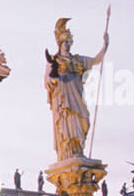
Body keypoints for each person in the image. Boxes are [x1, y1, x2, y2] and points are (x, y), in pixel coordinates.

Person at [44, 17, 108, 160]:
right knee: (67, 124)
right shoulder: (54, 60)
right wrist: (54, 79)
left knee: (84, 121)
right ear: (59, 43)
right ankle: (68, 153)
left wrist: (105, 45)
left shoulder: (78, 60)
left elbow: (96, 60)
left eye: (69, 42)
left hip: (77, 95)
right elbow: (48, 80)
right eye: (64, 42)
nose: (66, 44)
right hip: (63, 98)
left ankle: (78, 151)